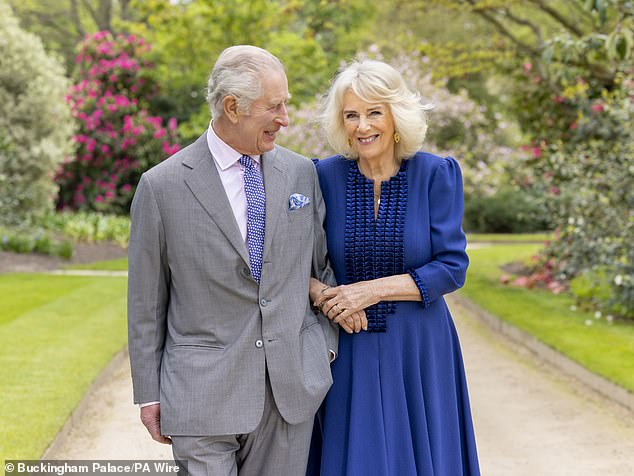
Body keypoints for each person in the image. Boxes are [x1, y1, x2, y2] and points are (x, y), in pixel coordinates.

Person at [127, 45, 365, 476]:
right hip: (200, 397)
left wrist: (320, 351)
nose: (286, 118)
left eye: (286, 104)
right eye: (274, 106)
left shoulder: (300, 174)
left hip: (288, 391)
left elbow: (320, 268)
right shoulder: (161, 187)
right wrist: (148, 393)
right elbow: (146, 302)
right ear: (232, 107)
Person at [306, 60, 480, 475]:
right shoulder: (320, 177)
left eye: (373, 112)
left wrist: (372, 289)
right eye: (351, 115)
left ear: (396, 117)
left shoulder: (436, 173)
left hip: (421, 348)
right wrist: (325, 296)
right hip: (349, 344)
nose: (362, 126)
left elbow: (453, 266)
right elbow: (292, 262)